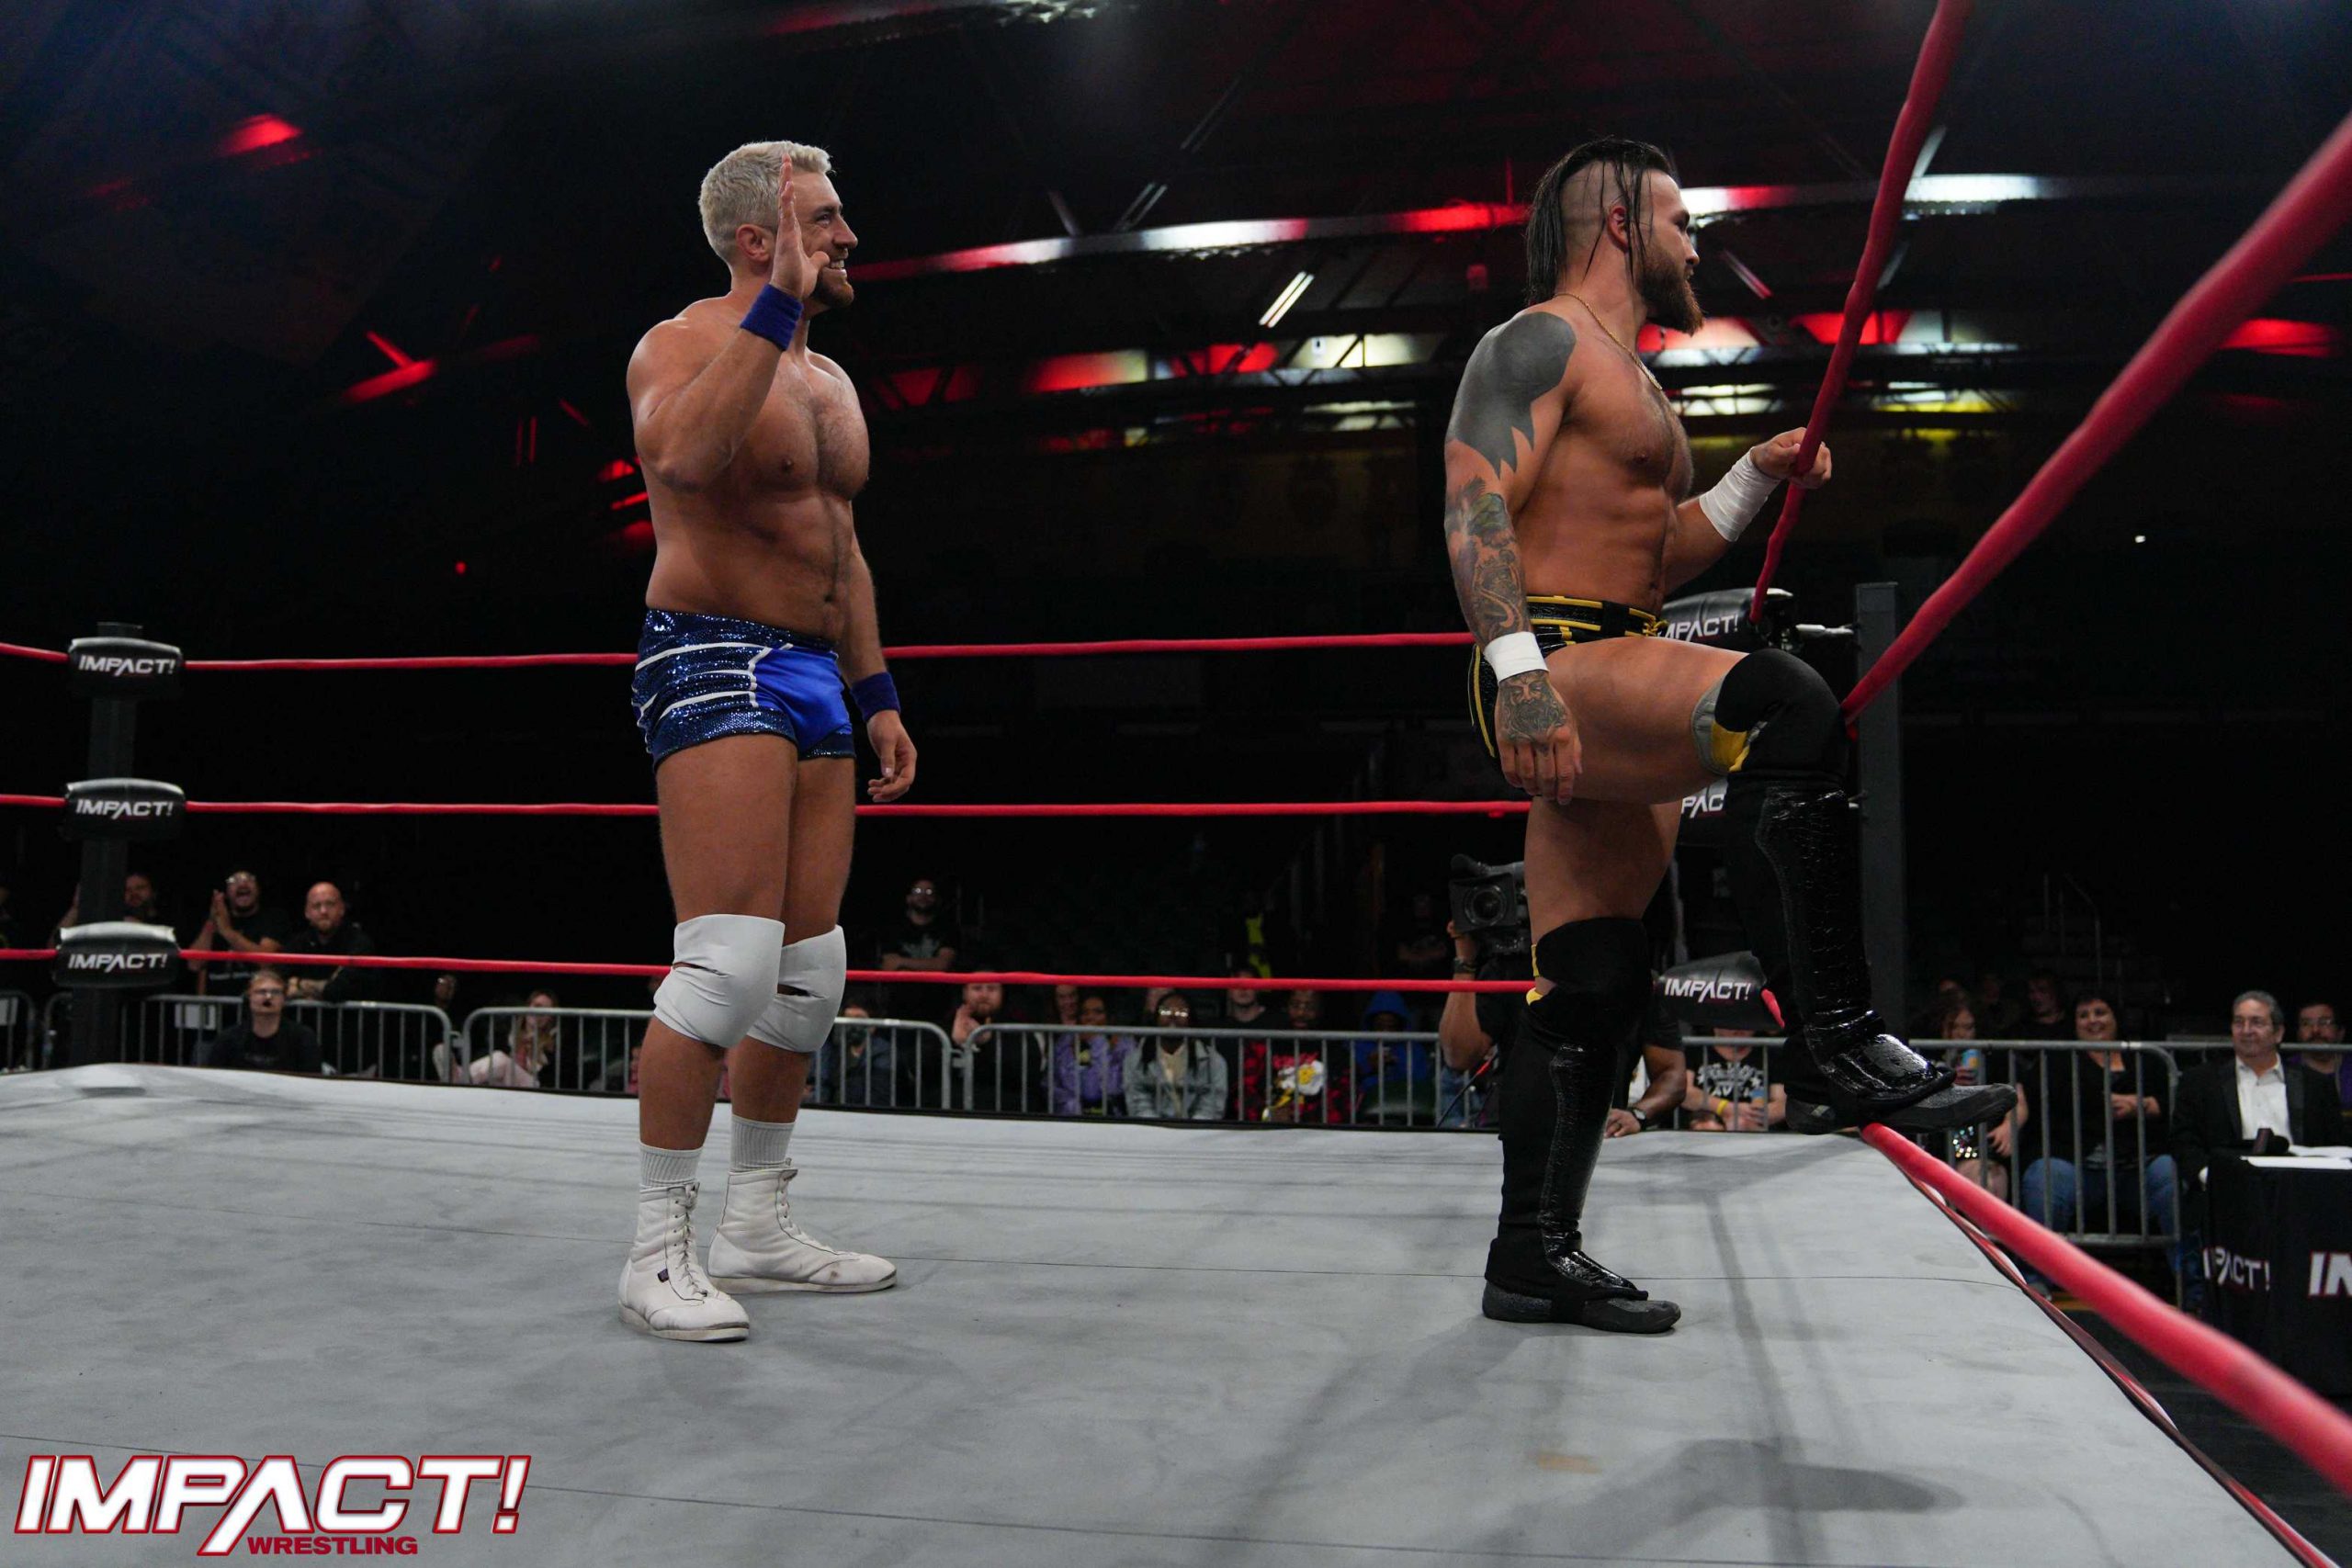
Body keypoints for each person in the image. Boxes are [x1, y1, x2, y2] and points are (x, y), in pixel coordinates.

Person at [1440, 138, 2010, 1331]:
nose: (1695, 245)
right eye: (1679, 220)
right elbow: (1473, 500)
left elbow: (1658, 555)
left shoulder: (1637, 380)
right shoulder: (1536, 342)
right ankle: (1838, 1044)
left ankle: (1529, 1253)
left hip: (1614, 648)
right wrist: (1520, 676)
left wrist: (1752, 477)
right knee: (1789, 702)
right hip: (1558, 659)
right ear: (1617, 223)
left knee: (1596, 979)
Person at [617, 138, 912, 1341]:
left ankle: (755, 1222)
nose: (847, 237)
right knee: (725, 966)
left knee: (805, 973)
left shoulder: (829, 378)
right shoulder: (681, 343)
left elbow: (841, 542)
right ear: (761, 237)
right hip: (712, 651)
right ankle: (655, 1251)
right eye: (825, 219)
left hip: (816, 673)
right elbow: (683, 457)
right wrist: (775, 304)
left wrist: (876, 689)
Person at [2017, 992, 2178, 1285]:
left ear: (2115, 1018)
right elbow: (2028, 1093)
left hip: (2137, 1166)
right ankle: (2037, 1282)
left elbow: (2173, 1103)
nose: (2093, 1021)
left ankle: (2192, 1287)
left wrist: (2141, 1105)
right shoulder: (2058, 1060)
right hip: (2078, 1165)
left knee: (2170, 1172)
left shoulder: (2146, 1058)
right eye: (2084, 1015)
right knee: (2045, 1176)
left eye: (2100, 1012)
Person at [1241, 988, 1353, 1123]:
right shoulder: (1263, 1046)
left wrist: (1299, 1115)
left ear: (1321, 1011)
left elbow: (1343, 1100)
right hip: (1265, 1128)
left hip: (1315, 1130)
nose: (1301, 1013)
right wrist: (1267, 1114)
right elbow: (1244, 1092)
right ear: (1286, 1007)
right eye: (1295, 1005)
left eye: (1310, 1007)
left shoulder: (1336, 1052)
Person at [185, 869, 291, 995]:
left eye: (249, 878)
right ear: (225, 892)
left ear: (258, 887)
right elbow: (194, 964)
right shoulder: (214, 920)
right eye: (234, 880)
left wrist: (227, 931)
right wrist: (212, 921)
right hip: (217, 1001)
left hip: (256, 1001)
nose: (242, 884)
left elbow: (266, 961)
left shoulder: (273, 918)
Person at [1125, 992, 1228, 1121]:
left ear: (1191, 1020)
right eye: (1165, 1011)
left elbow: (1211, 1107)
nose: (1173, 1016)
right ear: (1156, 1018)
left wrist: (1192, 1129)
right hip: (1151, 1129)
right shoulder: (1135, 1060)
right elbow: (1138, 1104)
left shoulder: (1213, 1061)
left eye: (1181, 1012)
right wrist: (1157, 1129)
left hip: (1198, 1130)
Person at [201, 969, 322, 1075]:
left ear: (284, 999)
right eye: (261, 992)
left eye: (276, 992)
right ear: (249, 997)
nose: (268, 997)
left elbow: (312, 1078)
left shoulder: (303, 1038)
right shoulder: (228, 1039)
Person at [284, 883, 378, 1004]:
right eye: (316, 906)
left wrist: (299, 984)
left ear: (342, 909)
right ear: (307, 913)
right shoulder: (298, 942)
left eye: (330, 904)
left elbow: (337, 990)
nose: (323, 911)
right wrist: (326, 985)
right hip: (305, 1016)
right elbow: (278, 983)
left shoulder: (359, 942)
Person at [1680, 1029, 1786, 1133]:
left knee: (1740, 1123)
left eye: (1745, 1021)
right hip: (1703, 1121)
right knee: (1707, 1126)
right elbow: (1685, 1092)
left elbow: (1781, 1102)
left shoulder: (1770, 1054)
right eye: (1731, 1023)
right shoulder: (1695, 1051)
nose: (1739, 1028)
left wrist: (1756, 1115)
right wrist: (1726, 1108)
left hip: (1751, 1127)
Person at [1049, 993, 1136, 1117]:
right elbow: (1059, 1084)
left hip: (1113, 1113)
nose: (1090, 1017)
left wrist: (1097, 1043)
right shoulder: (1067, 1041)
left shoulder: (1124, 1044)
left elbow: (1112, 1087)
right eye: (1085, 1013)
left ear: (1109, 1016)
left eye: (1097, 1012)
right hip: (1072, 1114)